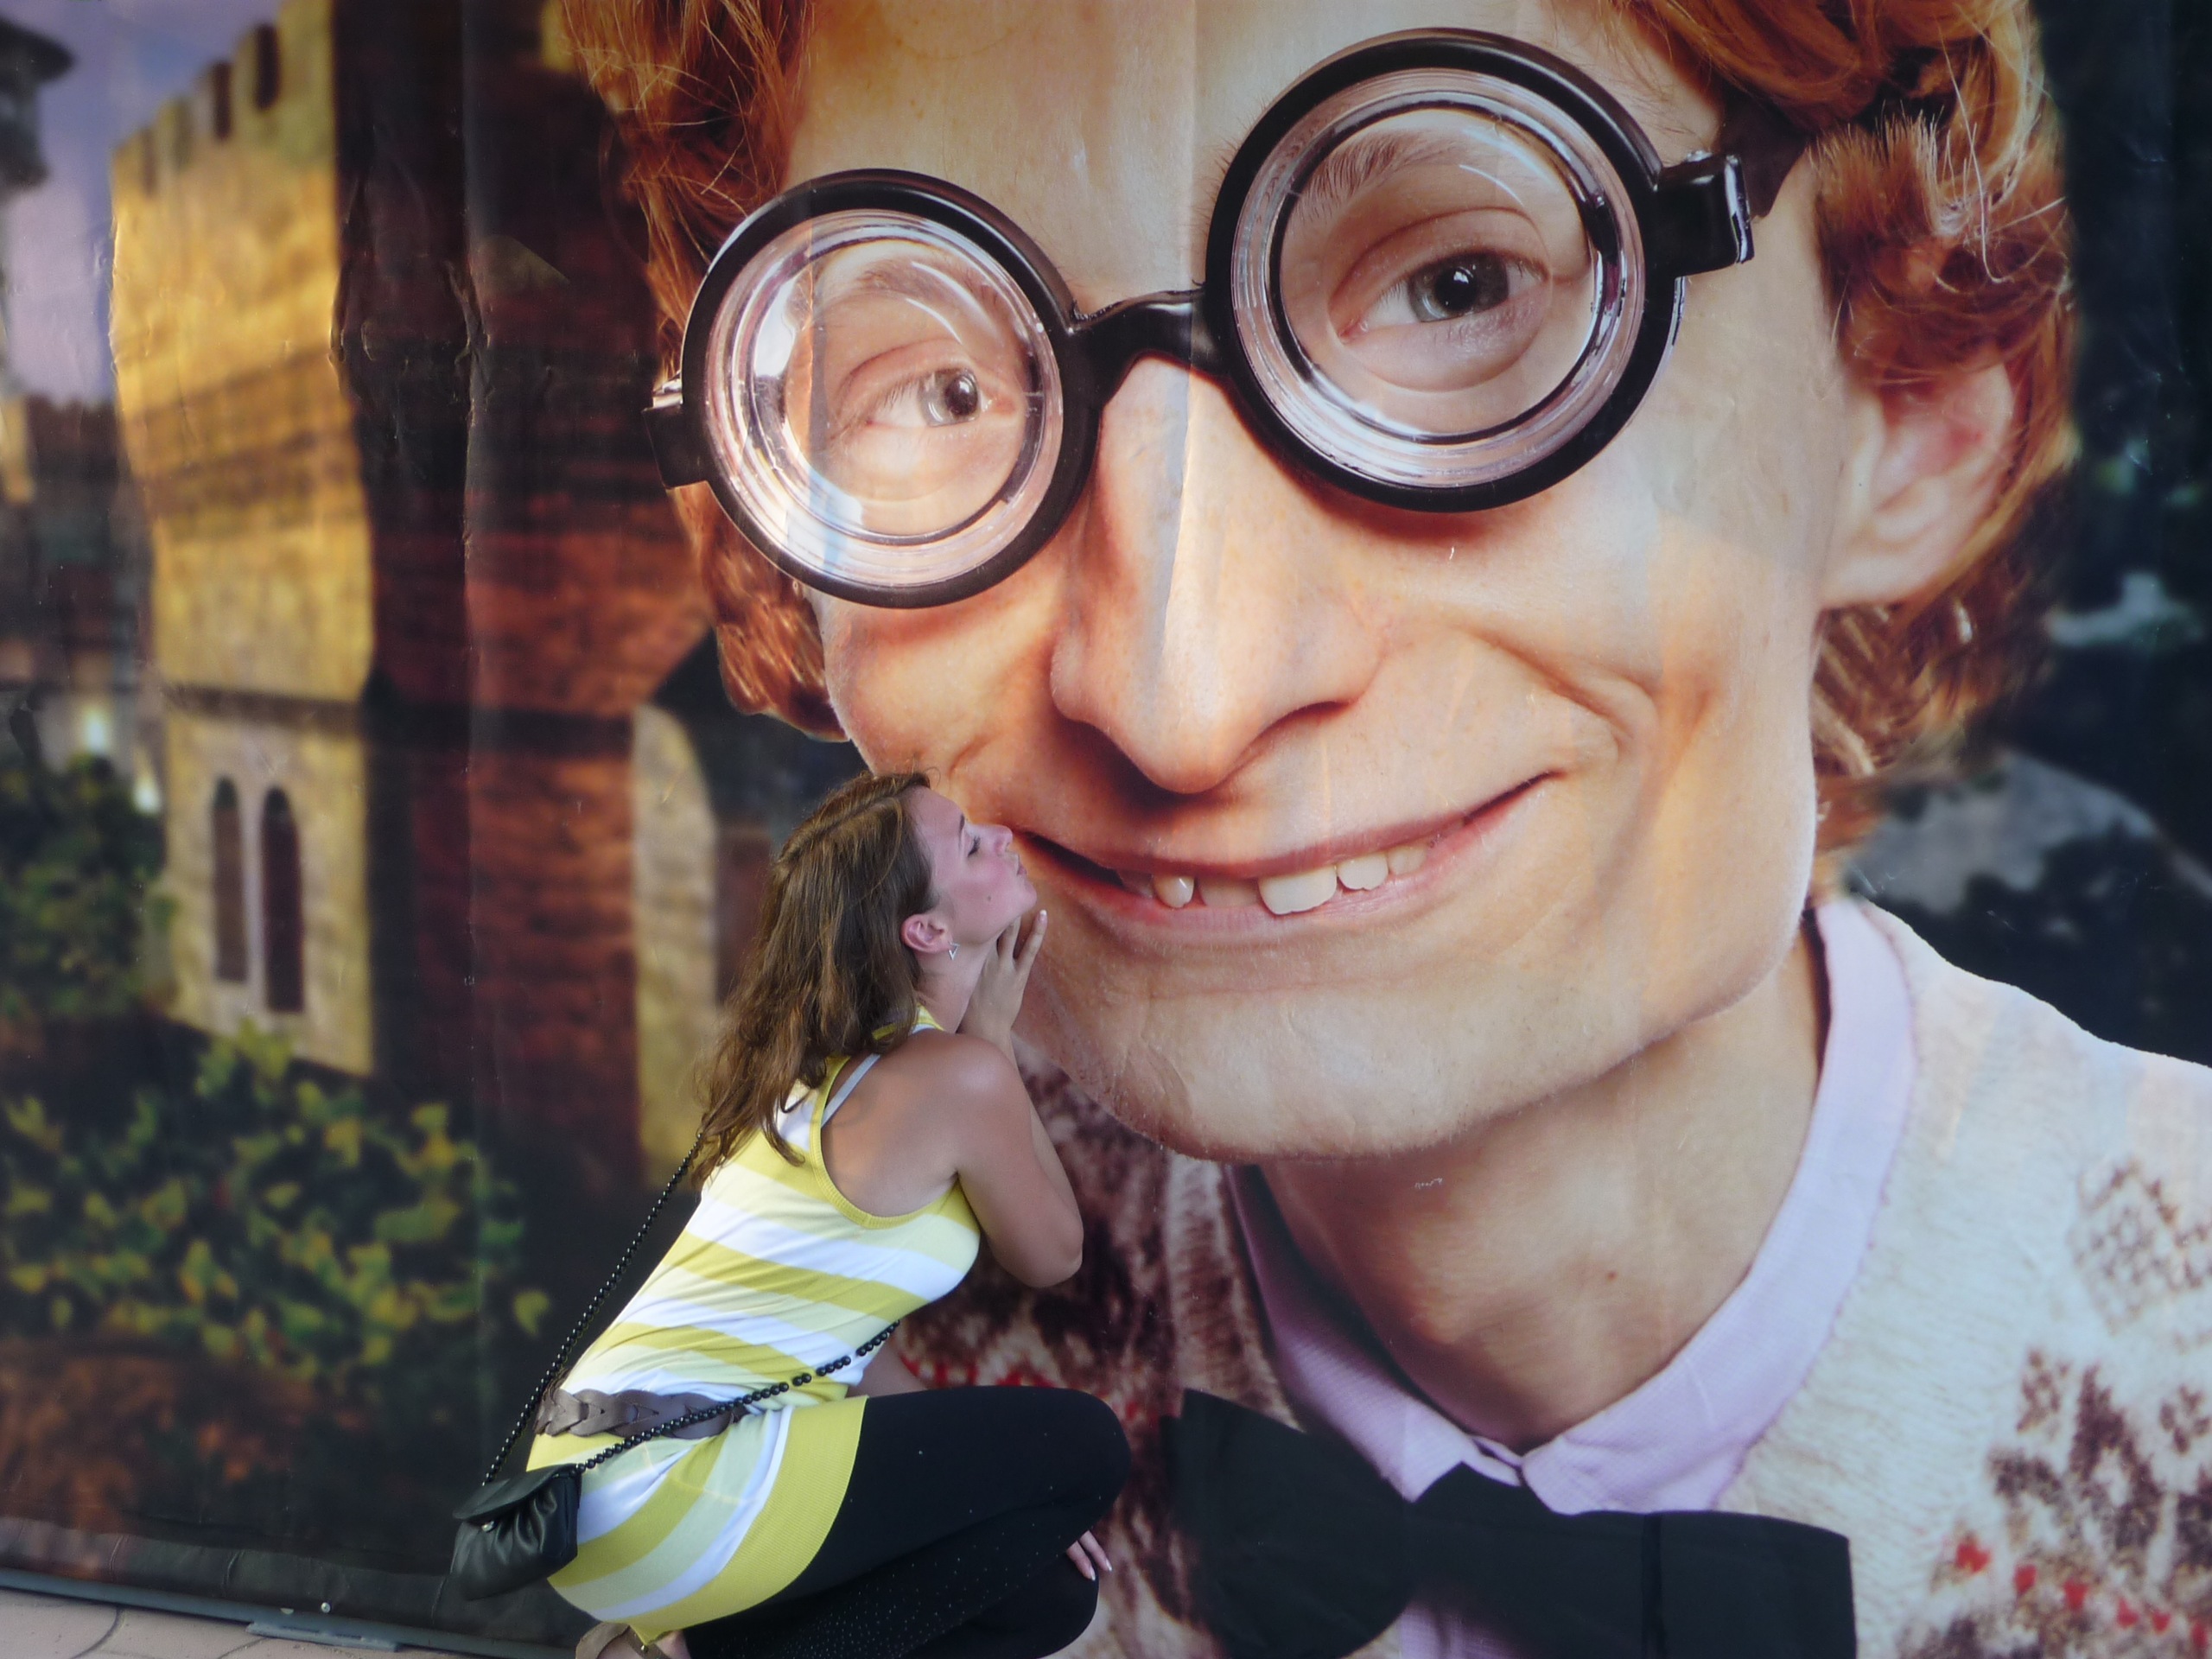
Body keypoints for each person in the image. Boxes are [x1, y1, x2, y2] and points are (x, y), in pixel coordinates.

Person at [559, 3, 2212, 1656]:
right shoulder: (835, 1329)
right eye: (937, 386)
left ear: (1904, 403)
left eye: (1461, 287)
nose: (1182, 702)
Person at [532, 770, 1128, 1659]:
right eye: (969, 843)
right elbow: (1055, 1253)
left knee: (1044, 1595)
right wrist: (993, 1043)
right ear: (926, 932)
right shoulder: (954, 1076)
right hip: (665, 1484)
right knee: (1084, 1446)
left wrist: (986, 1491)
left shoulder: (824, 1078)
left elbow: (851, 1359)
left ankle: (674, 1648)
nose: (1000, 836)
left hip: (587, 1490)